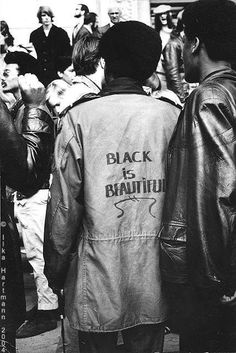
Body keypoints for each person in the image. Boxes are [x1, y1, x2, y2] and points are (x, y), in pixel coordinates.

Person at [44, 20, 180, 353]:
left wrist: (55, 270)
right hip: (155, 269)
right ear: (150, 68)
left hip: (97, 268)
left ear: (104, 62)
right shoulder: (172, 116)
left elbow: (64, 205)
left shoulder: (80, 119)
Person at [159, 0, 236, 351]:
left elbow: (214, 198)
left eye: (183, 37)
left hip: (217, 280)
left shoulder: (208, 98)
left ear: (195, 43)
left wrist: (216, 287)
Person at [1, 51, 59, 338]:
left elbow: (32, 161)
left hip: (36, 195)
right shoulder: (21, 107)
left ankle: (48, 311)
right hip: (29, 194)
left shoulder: (32, 108)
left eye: (10, 70)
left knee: (39, 255)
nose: (3, 75)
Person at [30, 6, 71, 87]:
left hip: (57, 74)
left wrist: (61, 70)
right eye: (43, 15)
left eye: (48, 15)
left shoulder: (61, 33)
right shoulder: (34, 34)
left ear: (51, 17)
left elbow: (68, 53)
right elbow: (32, 55)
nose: (46, 18)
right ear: (40, 17)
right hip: (40, 75)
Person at [162, 11, 189, 104]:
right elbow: (172, 73)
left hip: (189, 91)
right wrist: (181, 98)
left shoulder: (187, 41)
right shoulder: (173, 44)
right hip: (182, 94)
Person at [154, 5, 174, 90]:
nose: (163, 16)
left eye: (165, 13)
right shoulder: (156, 34)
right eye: (160, 14)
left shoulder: (176, 33)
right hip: (161, 73)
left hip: (175, 74)